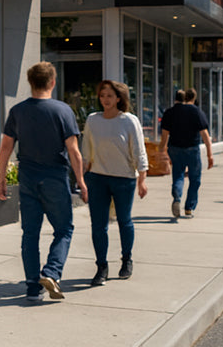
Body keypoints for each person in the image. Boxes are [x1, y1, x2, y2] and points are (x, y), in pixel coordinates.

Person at [0, 61, 88, 302]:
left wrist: (1, 178)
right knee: (64, 229)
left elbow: (6, 147)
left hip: (27, 175)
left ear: (30, 82)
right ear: (52, 82)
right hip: (55, 177)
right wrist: (81, 181)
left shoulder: (17, 111)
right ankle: (51, 272)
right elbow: (74, 151)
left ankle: (31, 288)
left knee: (30, 234)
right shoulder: (63, 111)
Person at [81, 80, 148, 286]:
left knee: (124, 221)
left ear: (119, 98)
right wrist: (82, 178)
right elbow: (86, 150)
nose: (105, 100)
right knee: (98, 225)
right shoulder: (93, 120)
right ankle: (101, 266)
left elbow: (138, 149)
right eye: (102, 96)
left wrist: (142, 180)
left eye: (110, 95)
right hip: (98, 178)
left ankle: (126, 260)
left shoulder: (129, 120)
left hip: (124, 179)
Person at [158, 87, 213, 218]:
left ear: (175, 99)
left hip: (175, 149)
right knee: (195, 179)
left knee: (178, 175)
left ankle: (177, 197)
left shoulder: (169, 113)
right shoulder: (195, 111)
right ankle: (189, 208)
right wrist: (209, 154)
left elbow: (164, 137)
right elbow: (204, 134)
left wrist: (162, 153)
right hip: (192, 148)